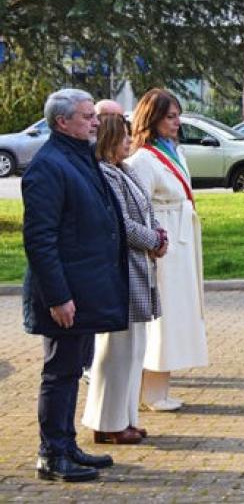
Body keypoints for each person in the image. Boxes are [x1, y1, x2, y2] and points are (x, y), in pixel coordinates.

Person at [22, 88, 126, 481]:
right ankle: (51, 453)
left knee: (71, 369)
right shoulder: (48, 166)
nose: (96, 121)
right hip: (64, 294)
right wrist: (59, 296)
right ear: (62, 122)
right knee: (60, 372)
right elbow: (40, 239)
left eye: (93, 115)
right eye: (86, 116)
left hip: (83, 290)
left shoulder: (79, 157)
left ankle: (66, 445)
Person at [81, 114, 166, 444]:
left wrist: (159, 234)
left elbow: (144, 209)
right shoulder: (104, 174)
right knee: (117, 349)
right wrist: (154, 240)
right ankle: (108, 421)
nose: (130, 142)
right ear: (109, 139)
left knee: (133, 349)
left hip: (140, 266)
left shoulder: (123, 170)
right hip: (122, 269)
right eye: (124, 137)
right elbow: (121, 223)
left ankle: (124, 418)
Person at [127, 88, 208, 412]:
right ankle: (150, 390)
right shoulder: (143, 159)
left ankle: (161, 386)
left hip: (181, 242)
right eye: (170, 117)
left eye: (178, 117)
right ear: (154, 118)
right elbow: (138, 208)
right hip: (163, 245)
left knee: (177, 313)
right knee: (163, 315)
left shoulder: (173, 151)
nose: (177, 123)